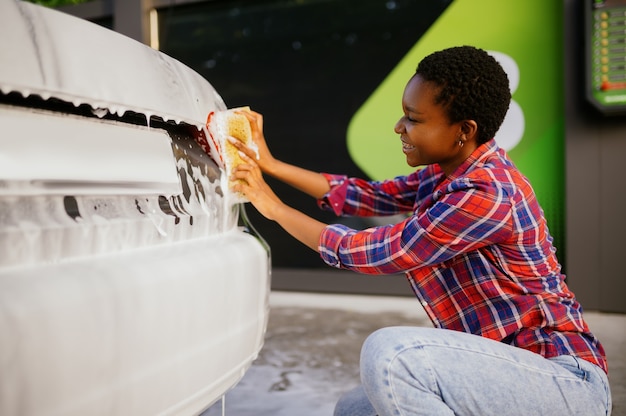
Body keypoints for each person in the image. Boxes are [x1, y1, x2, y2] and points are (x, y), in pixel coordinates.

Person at [229, 45, 611, 415]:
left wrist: (272, 207)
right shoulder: (447, 172)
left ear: (464, 130)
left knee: (394, 356)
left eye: (413, 118)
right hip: (507, 371)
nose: (399, 127)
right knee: (354, 409)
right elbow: (366, 196)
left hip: (564, 383)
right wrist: (271, 165)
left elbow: (375, 250)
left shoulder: (488, 194)